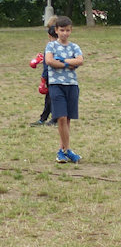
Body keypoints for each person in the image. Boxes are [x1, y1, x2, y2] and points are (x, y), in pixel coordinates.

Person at [45, 16, 84, 163]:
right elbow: (49, 61)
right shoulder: (51, 46)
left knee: (67, 119)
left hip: (72, 85)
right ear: (56, 30)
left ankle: (63, 151)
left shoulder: (74, 47)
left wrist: (62, 61)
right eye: (62, 30)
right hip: (56, 85)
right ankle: (67, 150)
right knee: (60, 117)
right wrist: (69, 64)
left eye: (67, 30)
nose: (65, 33)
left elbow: (80, 60)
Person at [30, 18, 59, 127]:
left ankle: (53, 119)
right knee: (50, 98)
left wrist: (43, 78)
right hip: (57, 76)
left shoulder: (51, 47)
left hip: (52, 77)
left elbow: (48, 64)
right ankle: (44, 118)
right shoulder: (60, 46)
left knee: (52, 98)